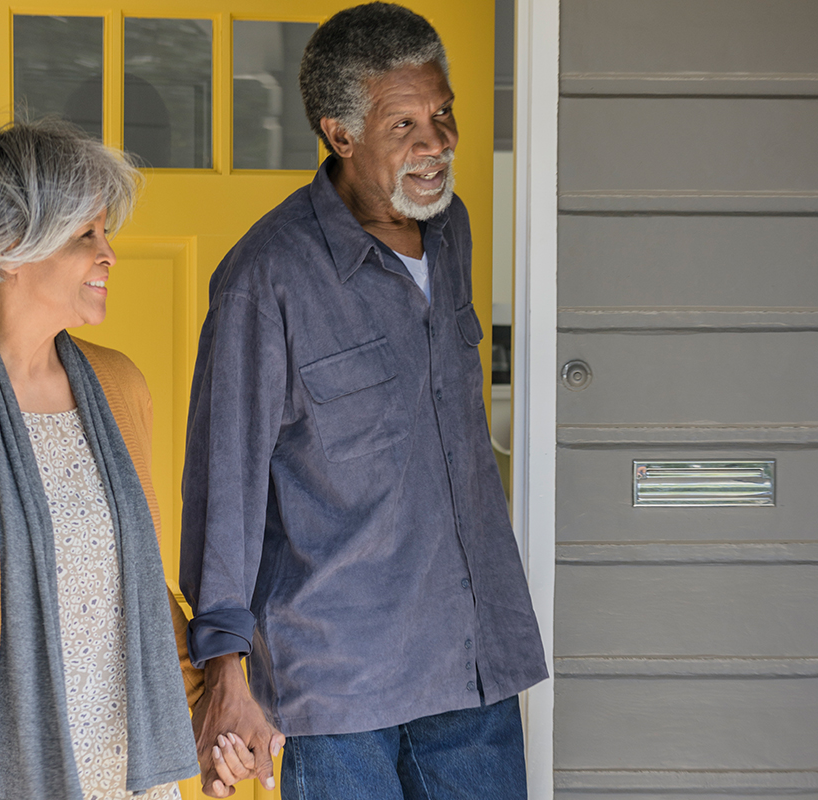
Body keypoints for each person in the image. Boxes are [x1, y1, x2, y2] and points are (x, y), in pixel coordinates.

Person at [179, 4, 549, 798]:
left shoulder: (451, 234)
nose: (438, 143)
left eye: (443, 114)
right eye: (405, 125)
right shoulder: (265, 281)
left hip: (471, 667)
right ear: (340, 135)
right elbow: (225, 487)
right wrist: (224, 672)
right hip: (338, 690)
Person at [0, 119, 255, 799]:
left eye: (105, 233)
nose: (110, 255)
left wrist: (202, 718)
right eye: (84, 237)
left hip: (128, 772)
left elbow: (141, 592)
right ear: (10, 248)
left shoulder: (119, 387)